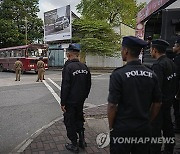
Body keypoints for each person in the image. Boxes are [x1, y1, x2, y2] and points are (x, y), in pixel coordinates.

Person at [108, 36, 162, 154]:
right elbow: (157, 103)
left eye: (122, 49)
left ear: (126, 51)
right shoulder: (151, 74)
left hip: (123, 128)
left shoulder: (118, 74)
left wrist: (111, 127)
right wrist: (148, 121)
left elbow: (112, 105)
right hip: (143, 128)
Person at [60, 44, 91, 153]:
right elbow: (88, 84)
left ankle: (74, 144)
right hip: (80, 101)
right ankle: (82, 140)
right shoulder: (84, 67)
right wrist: (84, 96)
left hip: (70, 101)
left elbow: (65, 86)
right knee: (79, 119)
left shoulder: (68, 67)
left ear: (69, 54)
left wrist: (63, 102)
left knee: (69, 121)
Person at [150, 39, 177, 154]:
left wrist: (153, 104)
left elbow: (156, 87)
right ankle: (169, 148)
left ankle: (155, 150)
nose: (150, 51)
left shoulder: (158, 65)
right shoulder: (171, 62)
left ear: (155, 50)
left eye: (151, 49)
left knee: (155, 128)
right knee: (168, 126)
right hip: (169, 100)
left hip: (159, 103)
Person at [173, 38, 180, 132]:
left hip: (178, 88)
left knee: (177, 108)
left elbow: (177, 75)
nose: (173, 47)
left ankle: (178, 126)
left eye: (175, 45)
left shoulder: (178, 59)